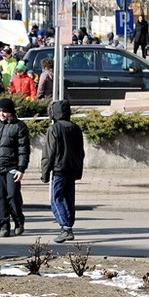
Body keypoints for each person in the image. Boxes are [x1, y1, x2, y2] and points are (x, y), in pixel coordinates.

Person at [41, 100, 85, 243]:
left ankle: (65, 227)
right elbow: (80, 152)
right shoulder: (75, 128)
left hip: (59, 169)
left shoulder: (54, 129)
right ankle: (68, 225)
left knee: (56, 198)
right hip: (72, 169)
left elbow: (49, 153)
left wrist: (45, 172)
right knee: (68, 198)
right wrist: (79, 171)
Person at [0, 98, 30, 237]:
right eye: (0, 111)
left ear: (11, 112)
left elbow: (23, 150)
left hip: (12, 167)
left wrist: (21, 168)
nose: (2, 114)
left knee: (12, 196)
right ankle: (4, 225)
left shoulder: (19, 126)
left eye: (5, 111)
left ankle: (18, 221)